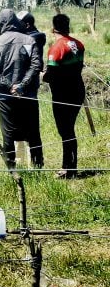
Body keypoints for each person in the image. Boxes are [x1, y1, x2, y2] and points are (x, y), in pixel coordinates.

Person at [0, 9, 43, 169]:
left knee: (8, 135)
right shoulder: (30, 40)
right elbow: (36, 65)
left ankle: (12, 171)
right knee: (33, 133)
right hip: (28, 95)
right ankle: (38, 168)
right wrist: (22, 85)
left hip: (5, 97)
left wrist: (9, 86)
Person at [43, 14, 85, 178]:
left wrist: (42, 75)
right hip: (78, 90)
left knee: (65, 131)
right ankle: (70, 166)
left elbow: (50, 75)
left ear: (53, 28)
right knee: (69, 129)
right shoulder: (79, 44)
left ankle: (68, 168)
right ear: (68, 27)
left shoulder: (56, 48)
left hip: (63, 94)